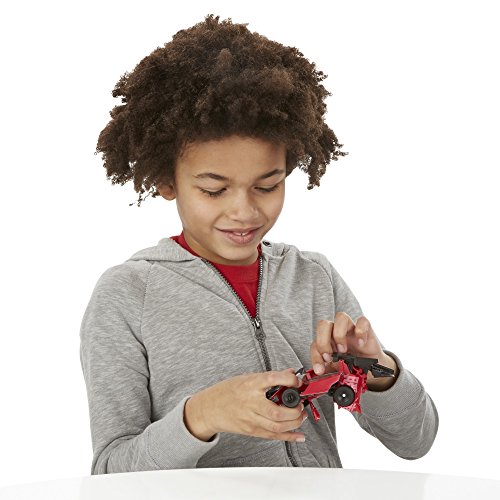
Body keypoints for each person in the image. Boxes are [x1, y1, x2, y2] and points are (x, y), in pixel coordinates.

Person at [79, 13, 439, 474]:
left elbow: (416, 441)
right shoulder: (128, 296)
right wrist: (200, 416)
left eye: (267, 186)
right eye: (214, 190)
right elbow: (110, 473)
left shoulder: (313, 278)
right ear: (167, 181)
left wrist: (379, 369)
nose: (244, 212)